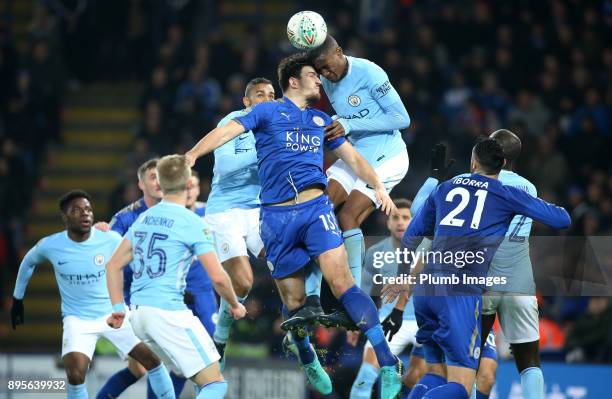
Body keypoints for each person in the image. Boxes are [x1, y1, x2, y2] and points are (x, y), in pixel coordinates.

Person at [185, 53, 403, 399]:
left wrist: (376, 184)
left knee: (343, 281)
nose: (320, 81)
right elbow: (226, 132)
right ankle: (305, 355)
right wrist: (192, 156)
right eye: (312, 76)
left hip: (316, 210)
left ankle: (389, 362)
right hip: (274, 219)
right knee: (295, 302)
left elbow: (353, 157)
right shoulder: (265, 112)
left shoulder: (321, 120)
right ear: (293, 81)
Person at [397, 139, 570, 399]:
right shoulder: (506, 193)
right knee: (462, 387)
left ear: (473, 163)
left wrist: (402, 278)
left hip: (425, 290)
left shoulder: (445, 187)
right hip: (460, 295)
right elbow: (562, 219)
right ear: (502, 164)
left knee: (435, 372)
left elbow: (411, 234)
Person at [105, 155, 247, 399]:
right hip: (168, 313)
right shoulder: (191, 221)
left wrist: (118, 307)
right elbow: (218, 276)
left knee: (173, 374)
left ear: (160, 181)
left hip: (138, 316)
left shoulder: (143, 218)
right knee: (215, 384)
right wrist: (234, 304)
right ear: (188, 184)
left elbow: (113, 265)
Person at [10, 190, 174, 399]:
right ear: (65, 217)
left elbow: (140, 267)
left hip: (114, 313)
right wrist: (17, 298)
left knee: (151, 360)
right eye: (77, 210)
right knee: (75, 374)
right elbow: (28, 262)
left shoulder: (111, 239)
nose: (85, 214)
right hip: (77, 319)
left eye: (88, 209)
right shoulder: (51, 244)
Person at [297, 35, 411, 327]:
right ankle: (311, 300)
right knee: (319, 210)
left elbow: (401, 118)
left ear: (339, 51)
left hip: (388, 154)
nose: (326, 75)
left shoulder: (370, 73)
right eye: (320, 71)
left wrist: (350, 123)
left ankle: (354, 303)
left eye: (327, 67)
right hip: (357, 152)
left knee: (347, 217)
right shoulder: (329, 78)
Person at [204, 77, 274, 368]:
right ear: (247, 102)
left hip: (258, 210)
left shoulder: (278, 125)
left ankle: (302, 337)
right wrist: (264, 153)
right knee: (243, 282)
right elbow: (226, 166)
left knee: (286, 261)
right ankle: (221, 335)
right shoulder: (232, 121)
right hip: (225, 211)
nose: (268, 100)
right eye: (260, 95)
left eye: (272, 94)